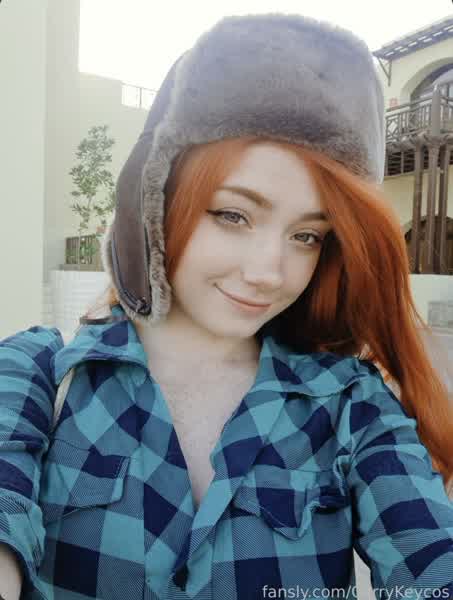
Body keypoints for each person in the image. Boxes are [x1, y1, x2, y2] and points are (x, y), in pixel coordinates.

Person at [1, 12, 453, 600]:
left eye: (306, 236)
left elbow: (429, 560)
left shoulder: (349, 404)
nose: (268, 272)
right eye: (232, 215)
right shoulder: (39, 375)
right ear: (157, 203)